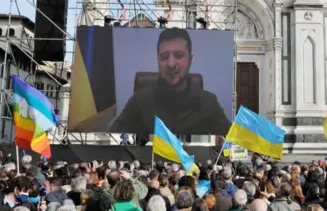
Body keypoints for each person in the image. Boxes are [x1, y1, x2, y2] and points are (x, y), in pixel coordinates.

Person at [97, 28, 232, 135]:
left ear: (190, 60)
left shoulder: (208, 102)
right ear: (158, 61)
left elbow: (230, 143)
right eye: (164, 57)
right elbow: (113, 137)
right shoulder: (140, 100)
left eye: (178, 56)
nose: (171, 64)